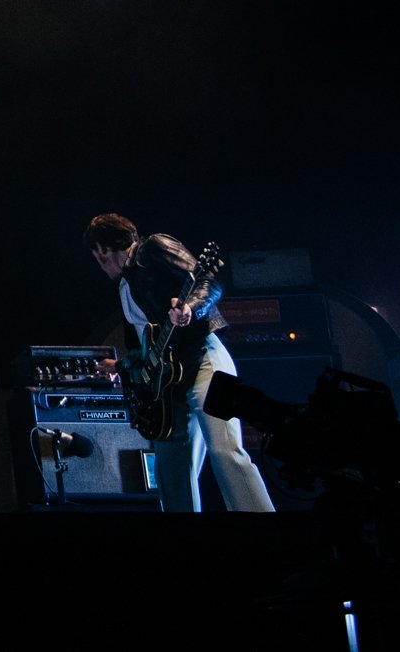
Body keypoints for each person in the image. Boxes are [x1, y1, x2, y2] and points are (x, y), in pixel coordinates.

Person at [86, 212, 275, 513]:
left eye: (100, 257)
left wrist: (190, 308)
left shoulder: (154, 247)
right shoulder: (124, 289)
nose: (101, 265)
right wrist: (122, 367)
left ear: (106, 248)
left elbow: (208, 280)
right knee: (171, 473)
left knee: (225, 450)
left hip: (205, 357)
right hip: (169, 382)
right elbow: (143, 345)